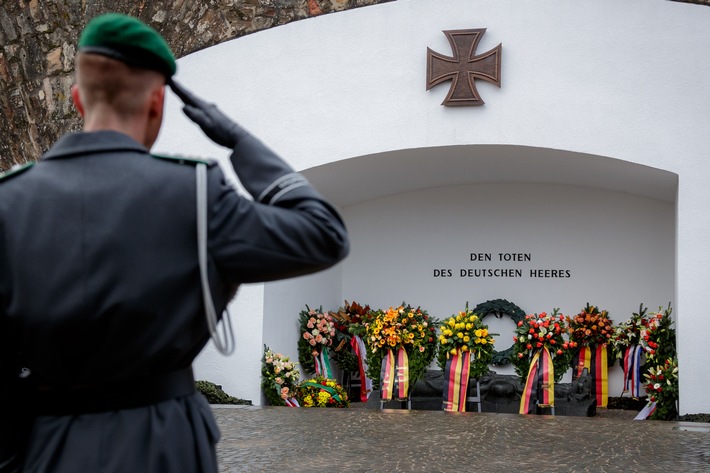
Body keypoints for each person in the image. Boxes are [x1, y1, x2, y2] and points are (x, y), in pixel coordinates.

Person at [0, 13, 349, 473]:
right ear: (157, 104)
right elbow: (324, 235)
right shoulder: (198, 195)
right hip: (165, 446)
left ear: (78, 100)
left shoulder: (9, 201)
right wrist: (240, 141)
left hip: (50, 447)